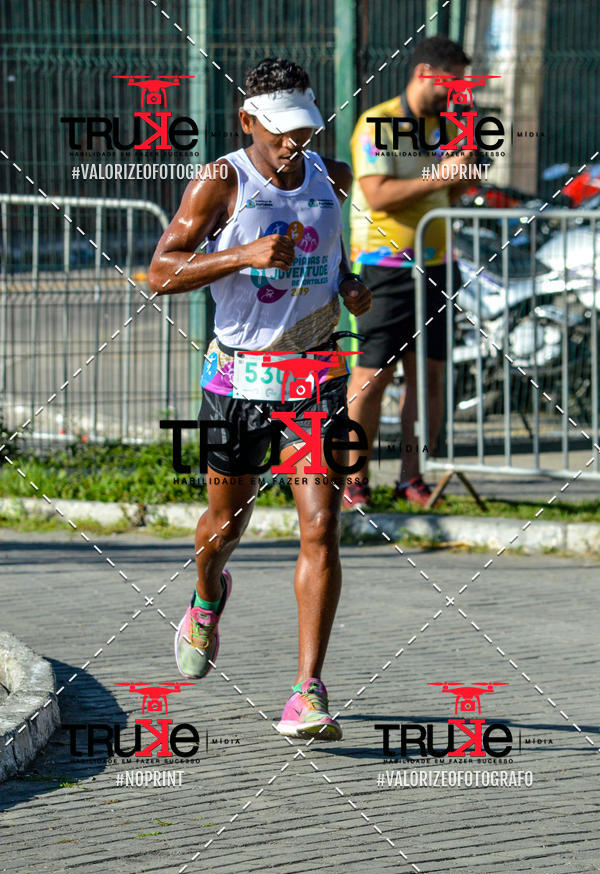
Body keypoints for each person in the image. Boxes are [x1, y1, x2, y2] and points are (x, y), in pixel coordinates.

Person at [148, 58, 371, 741]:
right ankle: (208, 594)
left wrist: (352, 288)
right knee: (224, 528)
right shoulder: (222, 181)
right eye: (280, 134)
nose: (293, 145)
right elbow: (159, 272)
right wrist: (238, 256)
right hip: (237, 383)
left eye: (304, 131)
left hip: (315, 380)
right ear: (247, 122)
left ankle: (308, 690)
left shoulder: (332, 177)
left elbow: (335, 261)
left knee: (319, 527)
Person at [346, 35, 476, 508]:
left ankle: (411, 476)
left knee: (431, 377)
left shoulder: (447, 124)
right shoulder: (379, 122)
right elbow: (378, 194)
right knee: (372, 378)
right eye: (453, 83)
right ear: (426, 74)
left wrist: (464, 173)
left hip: (439, 266)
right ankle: (354, 481)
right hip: (385, 268)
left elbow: (449, 194)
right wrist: (440, 176)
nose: (459, 92)